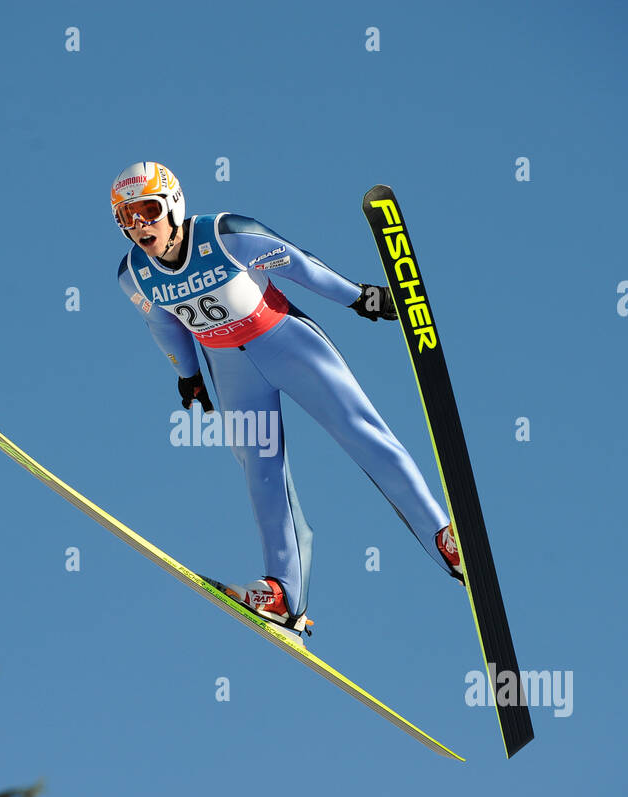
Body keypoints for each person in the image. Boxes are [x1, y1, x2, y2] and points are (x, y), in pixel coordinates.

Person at [112, 162, 463, 634]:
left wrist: (359, 297)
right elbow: (164, 324)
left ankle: (444, 537)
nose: (140, 227)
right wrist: (189, 376)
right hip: (231, 372)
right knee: (261, 473)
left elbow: (298, 263)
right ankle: (283, 594)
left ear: (173, 204)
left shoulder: (226, 234)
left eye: (148, 211)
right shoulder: (134, 275)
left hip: (287, 344)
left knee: (360, 432)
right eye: (126, 219)